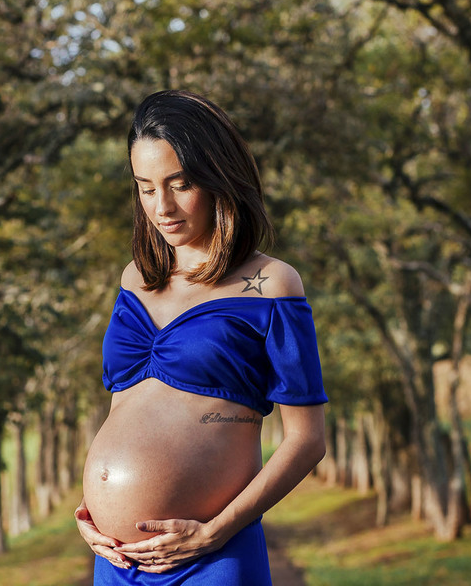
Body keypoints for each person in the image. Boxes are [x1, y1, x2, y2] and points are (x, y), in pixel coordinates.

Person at [75, 90, 328, 584]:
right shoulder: (135, 279)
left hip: (210, 559)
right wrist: (93, 509)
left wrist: (215, 532)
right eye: (145, 187)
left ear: (218, 178)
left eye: (180, 183)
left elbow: (307, 440)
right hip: (116, 560)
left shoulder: (271, 284)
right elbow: (124, 409)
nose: (161, 206)